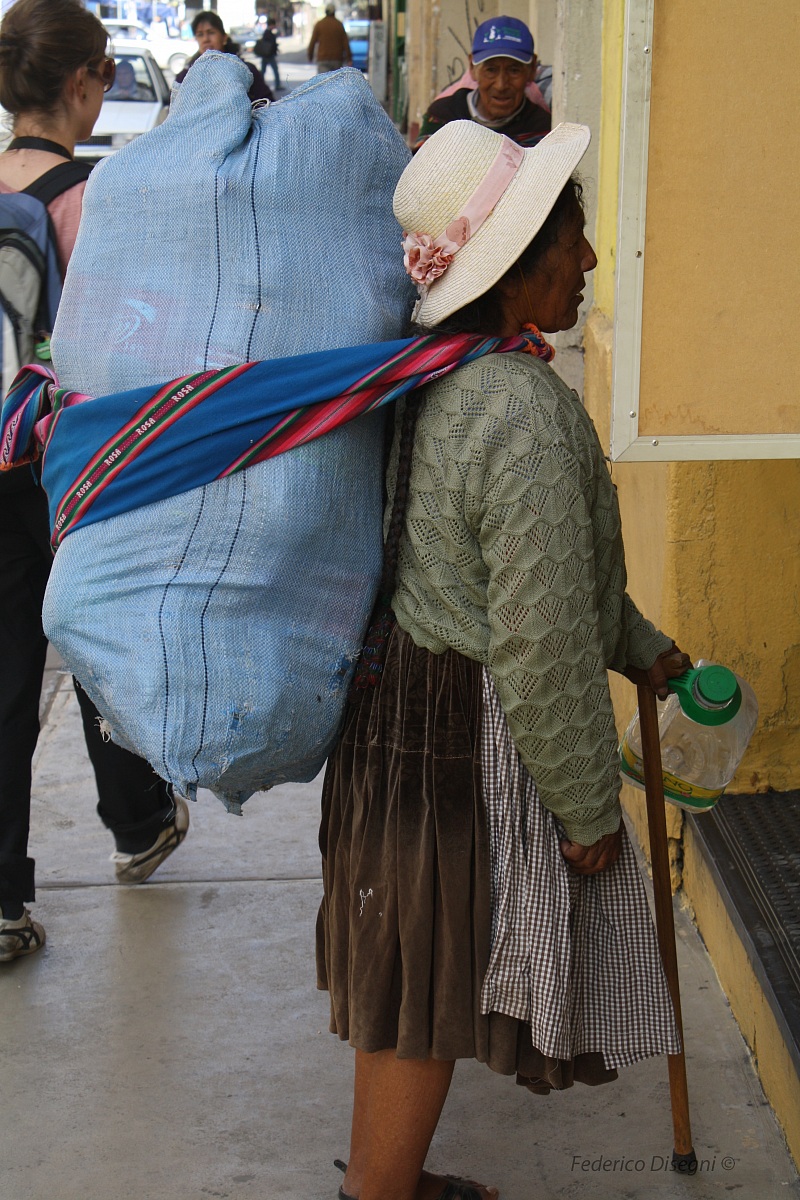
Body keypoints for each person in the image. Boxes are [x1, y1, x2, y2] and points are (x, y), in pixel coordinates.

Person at [317, 119, 691, 1200]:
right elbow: (537, 640)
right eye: (571, 239)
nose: (588, 259)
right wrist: (585, 807)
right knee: (430, 984)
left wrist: (644, 650)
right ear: (517, 262)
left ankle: (385, 1179)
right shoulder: (521, 412)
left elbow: (539, 575)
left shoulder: (437, 375)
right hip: (457, 736)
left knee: (405, 971)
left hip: (395, 711)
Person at [0, 0, 188, 964]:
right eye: (106, 71)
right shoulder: (95, 201)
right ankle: (138, 817)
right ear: (80, 83)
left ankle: (2, 900)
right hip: (69, 466)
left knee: (5, 679)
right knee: (98, 633)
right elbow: (131, 346)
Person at [413, 16, 550, 152]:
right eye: (491, 70)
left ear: (532, 69)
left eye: (514, 71)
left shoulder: (540, 128)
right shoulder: (443, 115)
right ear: (472, 67)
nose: (501, 85)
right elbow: (421, 164)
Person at [175, 11, 274, 103]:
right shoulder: (185, 77)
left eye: (211, 32)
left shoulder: (247, 72)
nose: (205, 39)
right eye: (200, 34)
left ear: (224, 37)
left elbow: (266, 105)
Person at [307, 3, 351, 74]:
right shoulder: (339, 25)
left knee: (324, 80)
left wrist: (310, 56)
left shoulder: (319, 24)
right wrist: (349, 58)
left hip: (323, 58)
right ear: (334, 12)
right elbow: (345, 42)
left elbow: (313, 42)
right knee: (335, 80)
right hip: (337, 58)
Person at [255, 21, 282, 93]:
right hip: (269, 55)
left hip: (266, 55)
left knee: (264, 71)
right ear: (271, 25)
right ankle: (277, 85)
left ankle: (260, 86)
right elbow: (269, 44)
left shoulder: (267, 33)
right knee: (274, 70)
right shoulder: (268, 33)